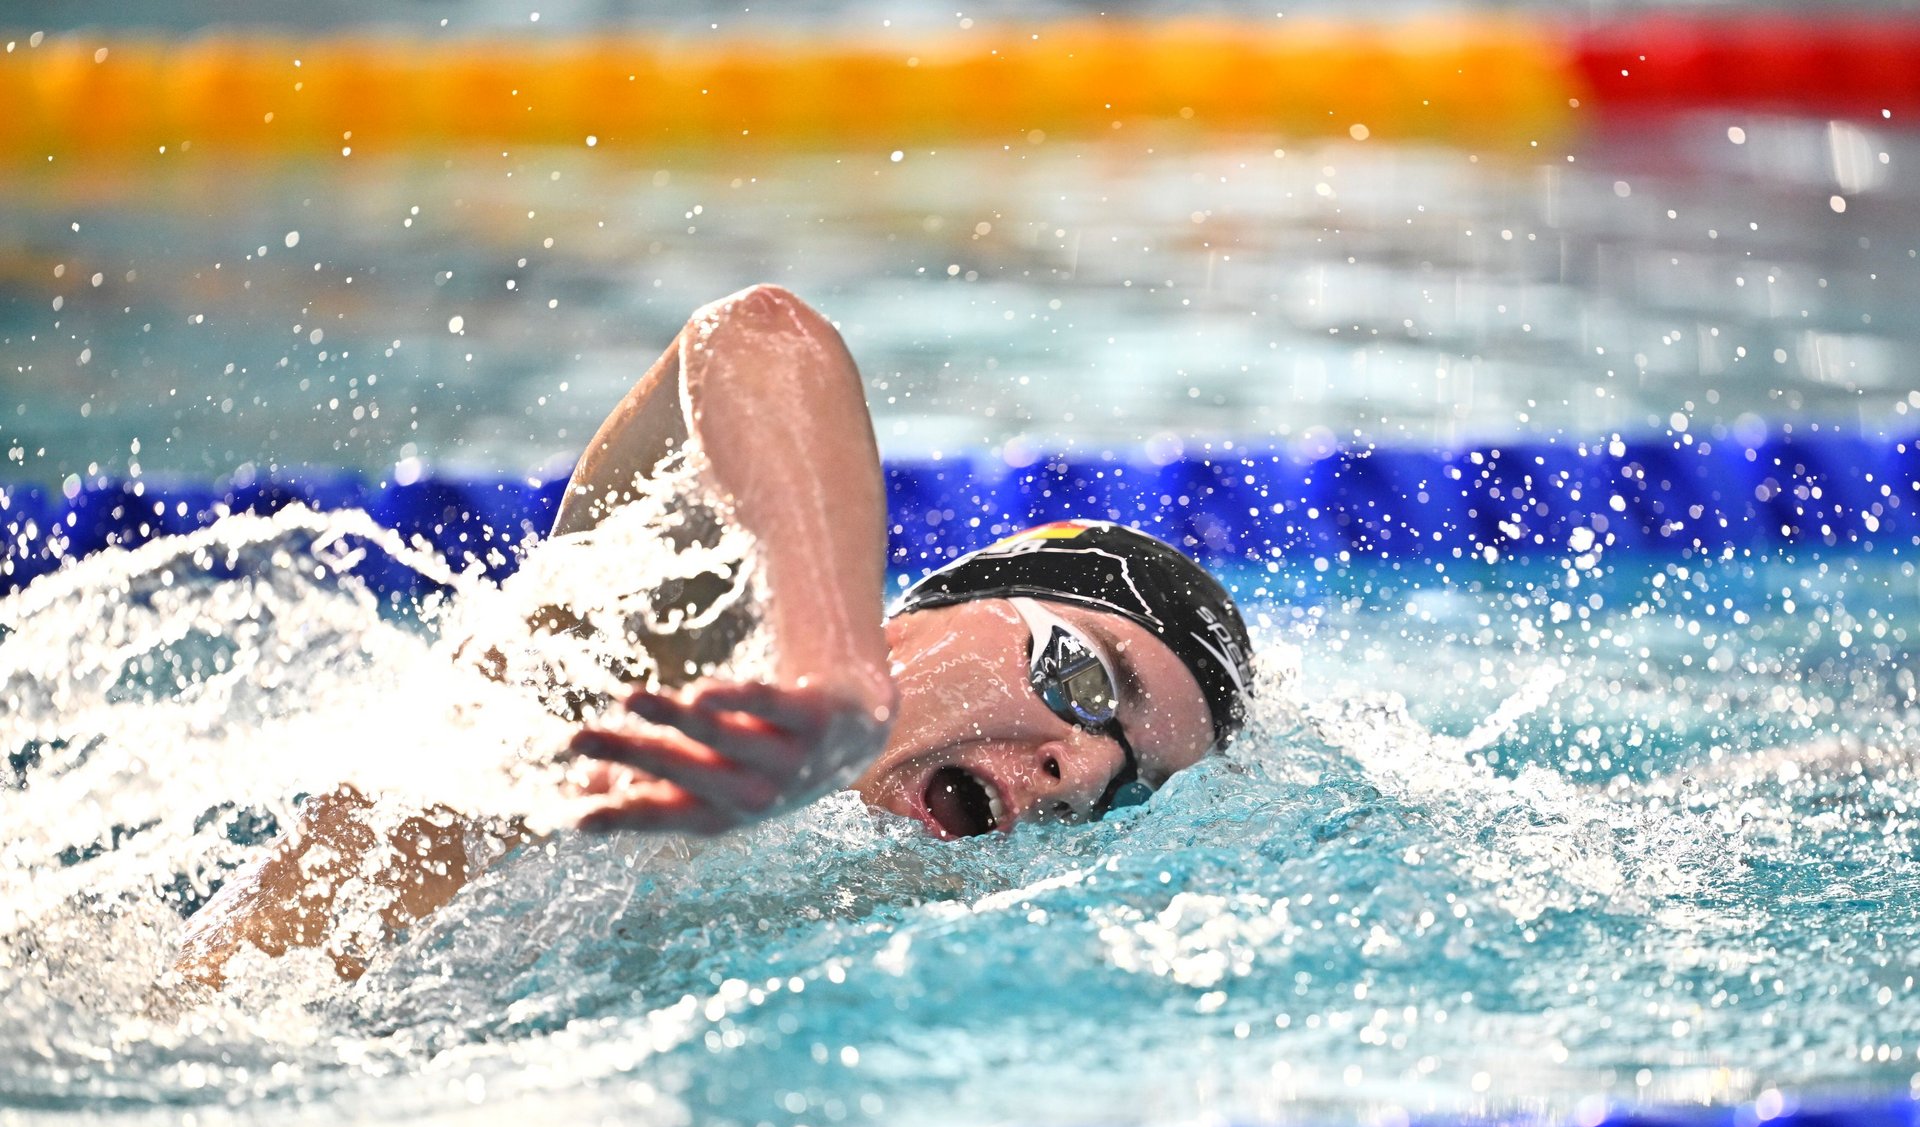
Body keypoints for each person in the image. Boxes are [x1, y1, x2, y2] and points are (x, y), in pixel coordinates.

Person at [173, 284, 1253, 987]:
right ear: (936, 610)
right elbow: (759, 337)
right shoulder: (671, 640)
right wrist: (833, 672)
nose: (1081, 768)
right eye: (1079, 674)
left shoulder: (838, 942)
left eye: (1131, 789)